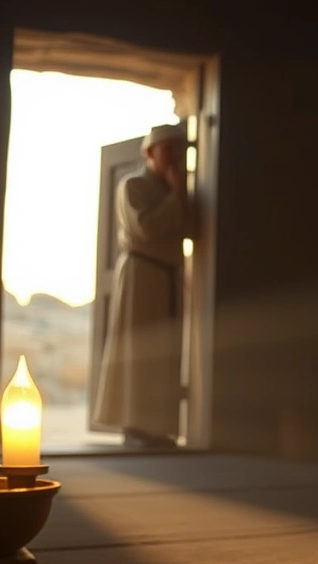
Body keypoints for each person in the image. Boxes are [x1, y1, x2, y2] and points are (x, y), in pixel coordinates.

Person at [93, 123, 188, 448]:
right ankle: (136, 426)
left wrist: (179, 194)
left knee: (165, 354)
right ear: (149, 152)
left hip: (167, 277)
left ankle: (160, 428)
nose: (175, 157)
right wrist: (177, 195)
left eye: (180, 149)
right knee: (139, 352)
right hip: (141, 276)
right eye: (168, 149)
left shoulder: (177, 189)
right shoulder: (132, 185)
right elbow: (147, 228)